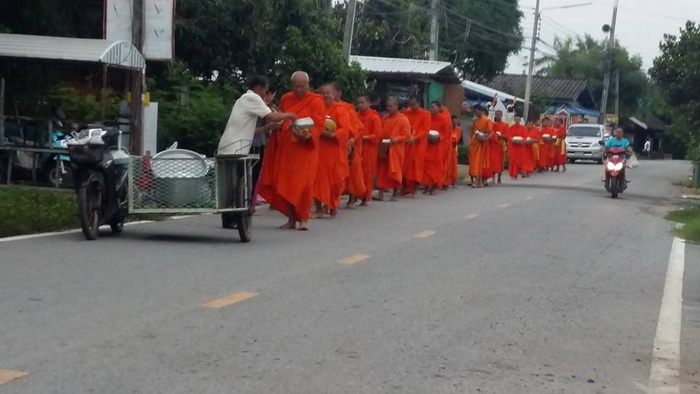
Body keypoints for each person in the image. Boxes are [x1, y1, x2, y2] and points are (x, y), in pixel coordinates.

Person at [259, 71, 325, 231]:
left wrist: (306, 133)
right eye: (296, 86)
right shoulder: (286, 99)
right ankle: (291, 219)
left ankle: (303, 219)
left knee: (304, 185)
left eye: (303, 86)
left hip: (306, 149)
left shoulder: (316, 100)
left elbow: (319, 123)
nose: (300, 90)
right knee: (286, 183)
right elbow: (282, 119)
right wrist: (283, 126)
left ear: (308, 85)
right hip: (288, 148)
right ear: (292, 85)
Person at [217, 76, 296, 156]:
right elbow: (273, 117)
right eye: (265, 90)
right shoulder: (253, 97)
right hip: (234, 149)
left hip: (234, 148)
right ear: (258, 88)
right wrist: (292, 115)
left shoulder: (244, 98)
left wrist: (270, 125)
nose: (265, 94)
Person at [313, 83, 350, 219]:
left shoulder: (340, 110)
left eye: (328, 93)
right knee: (317, 180)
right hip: (319, 149)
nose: (326, 96)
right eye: (323, 93)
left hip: (334, 150)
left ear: (335, 95)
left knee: (335, 181)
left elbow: (345, 128)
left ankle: (331, 204)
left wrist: (333, 135)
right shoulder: (318, 108)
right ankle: (318, 209)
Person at [251, 86, 281, 210]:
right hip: (252, 143)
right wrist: (291, 116)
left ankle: (251, 203)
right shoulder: (257, 105)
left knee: (255, 175)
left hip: (261, 143)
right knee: (252, 176)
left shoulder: (267, 107)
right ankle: (250, 204)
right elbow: (274, 119)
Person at [376, 98, 410, 201]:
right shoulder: (384, 119)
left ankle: (395, 193)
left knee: (395, 171)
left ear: (396, 106)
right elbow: (380, 132)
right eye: (387, 106)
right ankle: (380, 193)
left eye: (391, 106)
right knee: (382, 171)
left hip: (396, 149)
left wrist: (396, 139)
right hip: (384, 147)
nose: (389, 108)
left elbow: (406, 135)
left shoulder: (402, 119)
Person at [402, 95, 431, 197]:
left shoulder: (425, 114)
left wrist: (416, 137)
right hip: (407, 142)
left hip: (418, 144)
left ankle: (412, 189)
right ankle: (405, 187)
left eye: (414, 105)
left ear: (419, 103)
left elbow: (425, 129)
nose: (412, 107)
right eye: (411, 105)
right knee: (405, 165)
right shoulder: (406, 113)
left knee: (415, 166)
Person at [357, 94, 382, 205]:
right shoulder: (356, 116)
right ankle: (355, 195)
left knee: (367, 173)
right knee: (357, 172)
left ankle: (365, 196)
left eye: (362, 103)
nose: (360, 105)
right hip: (358, 148)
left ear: (369, 103)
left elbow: (377, 135)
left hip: (369, 149)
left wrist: (365, 137)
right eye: (358, 103)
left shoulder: (374, 117)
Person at [424, 101, 450, 195]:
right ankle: (427, 185)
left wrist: (438, 138)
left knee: (436, 167)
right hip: (428, 144)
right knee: (426, 165)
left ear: (439, 108)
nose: (431, 109)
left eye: (433, 107)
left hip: (438, 145)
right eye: (430, 107)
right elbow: (425, 129)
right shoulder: (428, 118)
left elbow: (445, 133)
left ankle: (436, 185)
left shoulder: (444, 120)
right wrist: (427, 136)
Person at [468, 105, 492, 188]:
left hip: (482, 145)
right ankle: (477, 181)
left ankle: (478, 181)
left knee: (479, 163)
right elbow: (473, 132)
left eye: (476, 111)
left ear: (480, 110)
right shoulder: (476, 121)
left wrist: (485, 138)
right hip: (474, 143)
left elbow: (491, 132)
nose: (475, 113)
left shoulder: (486, 120)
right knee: (474, 163)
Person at [506, 114, 528, 179]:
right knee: (513, 161)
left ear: (520, 120)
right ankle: (514, 174)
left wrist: (521, 141)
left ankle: (522, 172)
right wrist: (513, 140)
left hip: (520, 147)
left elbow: (525, 137)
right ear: (514, 120)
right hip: (513, 147)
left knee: (521, 161)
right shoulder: (510, 128)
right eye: (516, 119)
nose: (517, 121)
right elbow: (509, 137)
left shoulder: (523, 128)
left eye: (518, 120)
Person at [490, 110, 508, 184]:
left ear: (501, 115)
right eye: (496, 114)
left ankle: (499, 177)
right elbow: (490, 133)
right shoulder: (492, 124)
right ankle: (493, 177)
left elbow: (507, 136)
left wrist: (501, 136)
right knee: (493, 162)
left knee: (500, 162)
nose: (497, 116)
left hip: (501, 146)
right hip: (493, 145)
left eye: (499, 115)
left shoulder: (505, 125)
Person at [447, 115, 462, 187]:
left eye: (457, 121)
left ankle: (453, 181)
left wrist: (453, 139)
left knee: (453, 166)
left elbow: (457, 139)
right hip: (446, 148)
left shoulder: (458, 129)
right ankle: (447, 180)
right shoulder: (447, 128)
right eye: (454, 121)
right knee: (448, 165)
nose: (455, 123)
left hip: (453, 149)